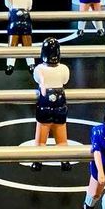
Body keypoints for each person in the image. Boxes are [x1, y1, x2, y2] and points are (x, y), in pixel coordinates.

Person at [32, 36, 71, 170]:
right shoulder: (64, 69)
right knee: (60, 138)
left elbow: (39, 80)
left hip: (46, 106)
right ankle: (64, 160)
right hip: (58, 105)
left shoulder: (39, 69)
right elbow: (65, 81)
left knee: (42, 139)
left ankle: (38, 160)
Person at [4, 0, 35, 74]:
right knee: (27, 44)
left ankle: (10, 65)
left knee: (12, 45)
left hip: (15, 21)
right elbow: (29, 7)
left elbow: (8, 6)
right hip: (25, 20)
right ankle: (31, 64)